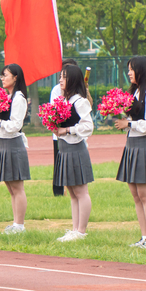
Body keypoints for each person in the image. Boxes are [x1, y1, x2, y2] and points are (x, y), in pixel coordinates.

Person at [115, 57, 146, 248]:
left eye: (132, 69)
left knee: (145, 195)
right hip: (132, 145)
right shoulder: (134, 91)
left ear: (141, 70)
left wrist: (129, 123)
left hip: (145, 145)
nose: (129, 73)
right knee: (136, 195)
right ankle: (144, 237)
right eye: (128, 69)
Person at [51, 64, 95, 242]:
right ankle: (75, 229)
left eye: (64, 76)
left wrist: (67, 130)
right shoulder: (65, 101)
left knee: (81, 191)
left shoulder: (80, 101)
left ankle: (81, 232)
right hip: (64, 149)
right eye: (60, 76)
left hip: (76, 149)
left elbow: (88, 126)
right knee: (71, 191)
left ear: (73, 80)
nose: (60, 80)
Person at [0, 63, 30, 234]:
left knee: (17, 187)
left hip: (14, 144)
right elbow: (2, 127)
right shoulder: (7, 97)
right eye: (2, 75)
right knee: (10, 187)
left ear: (16, 77)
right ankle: (15, 224)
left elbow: (16, 125)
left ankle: (20, 225)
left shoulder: (18, 98)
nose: (3, 79)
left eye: (6, 75)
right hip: (4, 144)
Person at [50, 59, 79, 197]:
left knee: (75, 167)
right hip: (59, 135)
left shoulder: (81, 91)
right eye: (62, 75)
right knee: (59, 164)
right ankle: (59, 192)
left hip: (76, 136)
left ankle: (75, 189)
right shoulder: (57, 89)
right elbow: (53, 111)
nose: (62, 78)